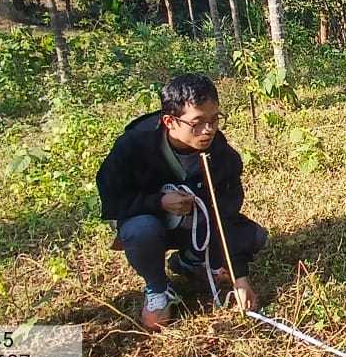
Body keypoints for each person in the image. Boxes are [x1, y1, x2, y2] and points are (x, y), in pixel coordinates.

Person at [97, 73, 267, 330]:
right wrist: (159, 202)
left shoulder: (219, 152)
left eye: (214, 120)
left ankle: (191, 260)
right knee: (140, 230)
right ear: (170, 121)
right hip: (150, 224)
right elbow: (113, 201)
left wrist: (239, 278)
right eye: (197, 122)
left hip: (197, 225)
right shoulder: (133, 146)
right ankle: (157, 289)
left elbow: (225, 214)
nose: (208, 130)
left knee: (254, 237)